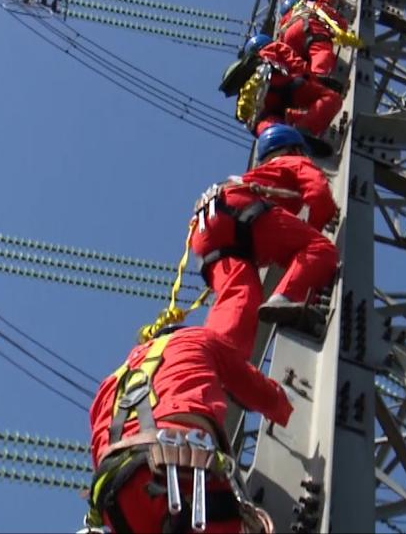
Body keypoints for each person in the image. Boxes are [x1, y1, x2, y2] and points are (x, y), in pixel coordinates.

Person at [84, 325, 289, 533]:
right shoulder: (195, 338)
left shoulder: (108, 384)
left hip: (116, 496)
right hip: (182, 471)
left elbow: (100, 451)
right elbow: (254, 387)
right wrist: (286, 407)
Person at [190, 125, 339, 358]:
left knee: (241, 296)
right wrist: (320, 222)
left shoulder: (262, 173)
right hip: (243, 211)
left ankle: (216, 358)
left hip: (204, 229)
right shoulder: (293, 160)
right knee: (320, 248)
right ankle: (285, 298)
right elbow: (319, 193)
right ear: (294, 148)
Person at [243, 34, 342, 139]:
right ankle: (304, 130)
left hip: (261, 108)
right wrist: (316, 80)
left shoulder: (248, 79)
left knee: (272, 125)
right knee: (331, 97)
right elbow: (296, 63)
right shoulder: (273, 47)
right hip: (285, 88)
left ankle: (280, 141)